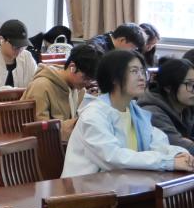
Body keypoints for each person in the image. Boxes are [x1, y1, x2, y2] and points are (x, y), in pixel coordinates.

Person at [62, 50, 194, 176]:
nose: (142, 77)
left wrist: (178, 154)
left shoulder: (135, 112)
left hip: (121, 184)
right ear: (113, 77)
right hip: (85, 187)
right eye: (134, 71)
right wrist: (168, 162)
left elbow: (157, 142)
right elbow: (113, 157)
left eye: (142, 71)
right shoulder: (94, 115)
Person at [22, 44, 100, 142]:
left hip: (68, 144)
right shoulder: (41, 86)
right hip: (46, 145)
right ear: (72, 67)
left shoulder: (78, 89)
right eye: (85, 78)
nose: (87, 84)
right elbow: (38, 130)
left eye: (91, 80)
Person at [136, 57, 194, 153]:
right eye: (189, 84)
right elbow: (179, 147)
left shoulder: (186, 107)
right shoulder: (152, 111)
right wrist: (187, 143)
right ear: (168, 87)